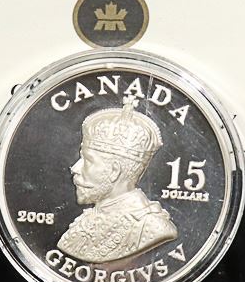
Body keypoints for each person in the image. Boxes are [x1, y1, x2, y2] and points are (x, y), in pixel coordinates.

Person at [57, 97, 177, 262]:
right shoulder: (88, 218)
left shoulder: (153, 227)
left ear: (114, 171)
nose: (75, 168)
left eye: (88, 160)